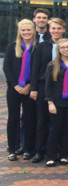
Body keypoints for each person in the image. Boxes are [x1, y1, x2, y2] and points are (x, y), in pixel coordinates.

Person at [30, 17, 66, 163]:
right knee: (42, 120)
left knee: (58, 121)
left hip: (61, 88)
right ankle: (40, 150)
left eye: (59, 28)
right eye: (53, 28)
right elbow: (35, 68)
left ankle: (57, 150)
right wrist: (33, 88)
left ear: (63, 29)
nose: (56, 31)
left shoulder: (67, 47)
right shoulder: (41, 47)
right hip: (42, 86)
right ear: (49, 29)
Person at [44, 38, 68, 167]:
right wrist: (50, 103)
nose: (66, 49)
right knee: (55, 129)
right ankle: (51, 156)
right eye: (63, 47)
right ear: (59, 50)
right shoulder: (52, 65)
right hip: (57, 102)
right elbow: (48, 86)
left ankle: (63, 155)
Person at [4, 19, 37, 161]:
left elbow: (38, 69)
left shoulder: (37, 48)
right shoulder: (12, 47)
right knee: (13, 118)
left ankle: (27, 149)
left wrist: (30, 86)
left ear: (33, 31)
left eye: (28, 30)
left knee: (29, 119)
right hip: (14, 89)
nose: (26, 32)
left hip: (30, 88)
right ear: (19, 32)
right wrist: (15, 85)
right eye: (23, 30)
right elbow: (7, 67)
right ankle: (12, 149)